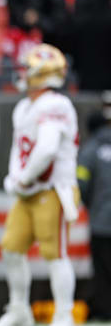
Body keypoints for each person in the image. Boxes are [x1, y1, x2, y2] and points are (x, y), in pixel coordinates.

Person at [0, 43, 79, 326]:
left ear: (43, 72)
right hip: (28, 190)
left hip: (53, 189)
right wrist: (15, 176)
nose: (22, 73)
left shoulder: (57, 104)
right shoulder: (24, 106)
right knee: (11, 248)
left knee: (56, 253)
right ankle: (19, 309)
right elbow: (21, 149)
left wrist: (23, 177)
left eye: (27, 68)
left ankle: (63, 314)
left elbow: (46, 150)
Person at [76, 91, 111, 320]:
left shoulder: (90, 150)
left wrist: (92, 206)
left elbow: (80, 183)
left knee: (103, 272)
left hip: (101, 223)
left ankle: (106, 311)